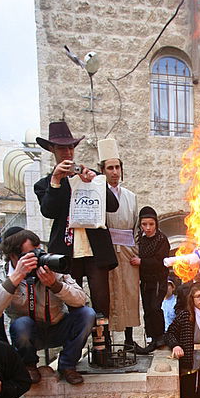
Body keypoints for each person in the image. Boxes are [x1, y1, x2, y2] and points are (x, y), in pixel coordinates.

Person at [0, 228, 96, 385]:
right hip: (27, 334)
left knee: (87, 314)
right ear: (14, 256)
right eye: (31, 255)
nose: (37, 258)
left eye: (38, 252)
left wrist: (55, 285)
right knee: (22, 324)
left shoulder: (50, 266)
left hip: (58, 326)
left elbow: (80, 300)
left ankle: (67, 366)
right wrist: (17, 277)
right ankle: (29, 366)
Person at [34, 121, 119, 319]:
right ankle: (77, 345)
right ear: (52, 149)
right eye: (62, 148)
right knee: (72, 301)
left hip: (94, 250)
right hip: (66, 252)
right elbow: (49, 211)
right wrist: (56, 181)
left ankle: (103, 347)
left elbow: (113, 206)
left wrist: (95, 184)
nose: (67, 152)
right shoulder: (44, 184)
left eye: (71, 147)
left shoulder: (91, 175)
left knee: (101, 301)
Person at [98, 138, 143, 353]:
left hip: (128, 250)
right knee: (108, 294)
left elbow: (135, 226)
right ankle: (106, 339)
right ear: (103, 170)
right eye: (110, 168)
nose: (114, 172)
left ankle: (128, 339)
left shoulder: (131, 197)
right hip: (107, 251)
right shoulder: (98, 195)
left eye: (117, 167)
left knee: (130, 293)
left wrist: (134, 250)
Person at [130, 206, 170, 354]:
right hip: (145, 281)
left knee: (155, 307)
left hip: (159, 280)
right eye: (144, 224)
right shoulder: (140, 240)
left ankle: (160, 337)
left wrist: (142, 262)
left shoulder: (162, 239)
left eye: (151, 224)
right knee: (147, 310)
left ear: (156, 224)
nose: (148, 228)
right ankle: (151, 339)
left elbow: (160, 260)